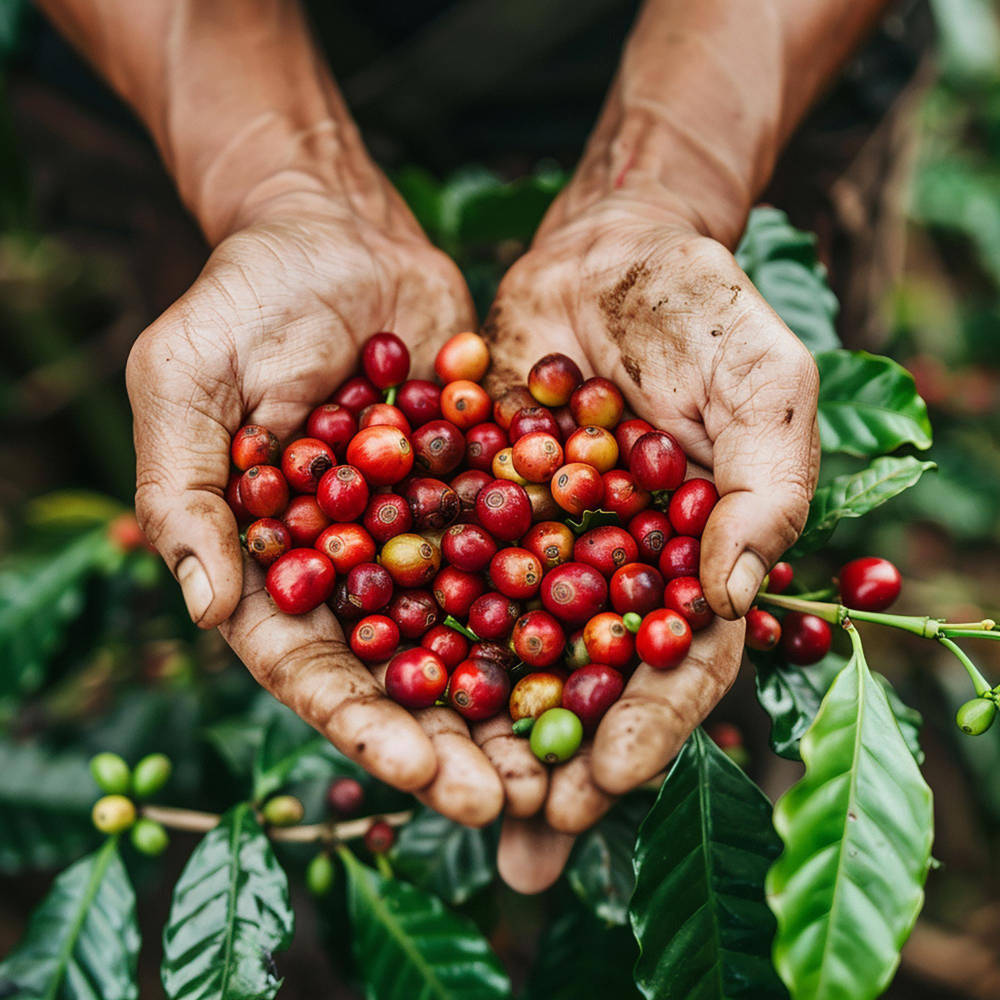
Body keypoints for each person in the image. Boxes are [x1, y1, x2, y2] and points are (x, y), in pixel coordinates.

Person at [36, 0, 888, 892]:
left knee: (737, 573)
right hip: (181, 79)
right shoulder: (431, 508)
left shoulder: (518, 502)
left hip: (745, 67)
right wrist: (276, 184)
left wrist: (668, 187)